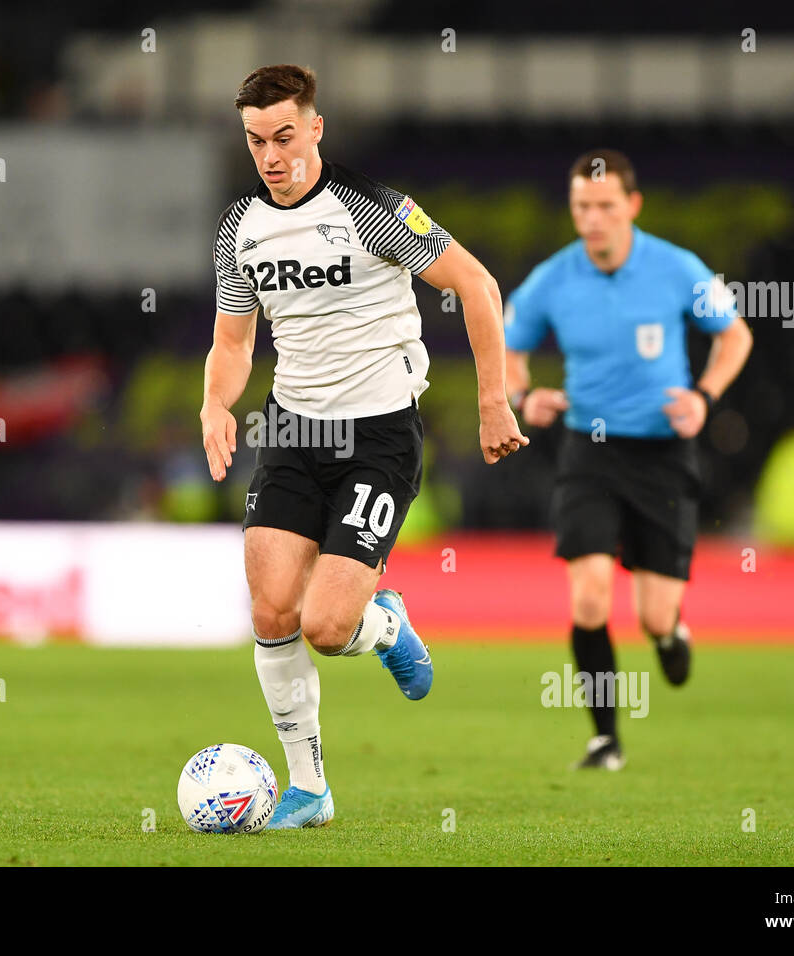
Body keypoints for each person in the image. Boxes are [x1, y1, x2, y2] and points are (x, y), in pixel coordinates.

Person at [200, 64, 527, 827]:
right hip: (290, 428)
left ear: (316, 128)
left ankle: (387, 625)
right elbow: (233, 339)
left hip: (378, 435)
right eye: (256, 141)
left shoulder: (370, 209)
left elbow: (476, 285)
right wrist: (216, 402)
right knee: (274, 610)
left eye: (285, 136)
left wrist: (490, 403)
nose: (272, 156)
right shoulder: (240, 229)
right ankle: (309, 789)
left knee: (327, 625)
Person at [505, 150, 753, 770]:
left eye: (605, 206)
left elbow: (735, 334)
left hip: (664, 454)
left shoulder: (675, 268)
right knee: (588, 596)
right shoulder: (553, 279)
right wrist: (521, 395)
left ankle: (671, 631)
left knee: (653, 613)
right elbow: (508, 347)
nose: (592, 219)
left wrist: (704, 397)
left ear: (632, 206)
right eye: (582, 207)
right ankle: (605, 738)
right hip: (588, 453)